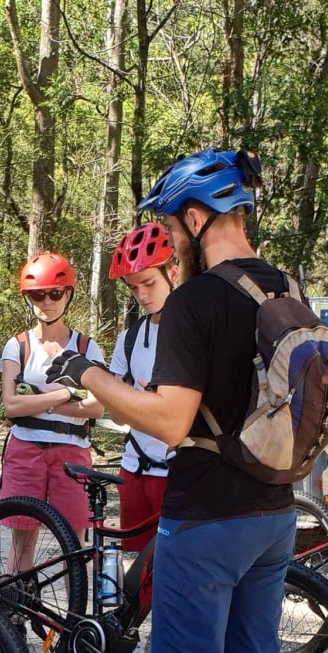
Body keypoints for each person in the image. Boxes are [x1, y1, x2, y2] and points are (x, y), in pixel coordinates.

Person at [46, 149, 294, 653]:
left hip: (207, 512)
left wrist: (88, 374)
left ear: (196, 217)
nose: (171, 236)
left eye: (172, 221)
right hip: (273, 511)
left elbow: (170, 418)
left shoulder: (194, 302)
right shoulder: (282, 285)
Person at [0, 251, 106, 591]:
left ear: (68, 294)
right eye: (37, 294)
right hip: (25, 448)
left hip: (71, 453)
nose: (46, 302)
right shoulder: (17, 345)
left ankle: (72, 618)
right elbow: (11, 405)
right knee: (23, 535)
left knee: (73, 538)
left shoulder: (88, 349)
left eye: (55, 293)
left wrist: (38, 403)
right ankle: (13, 611)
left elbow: (96, 407)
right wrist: (63, 395)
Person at [106, 223, 179, 552]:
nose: (143, 295)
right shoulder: (130, 339)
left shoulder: (195, 334)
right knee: (135, 566)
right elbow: (116, 414)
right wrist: (136, 400)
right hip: (134, 468)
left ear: (173, 273)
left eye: (149, 283)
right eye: (134, 288)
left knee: (175, 568)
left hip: (179, 474)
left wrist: (135, 400)